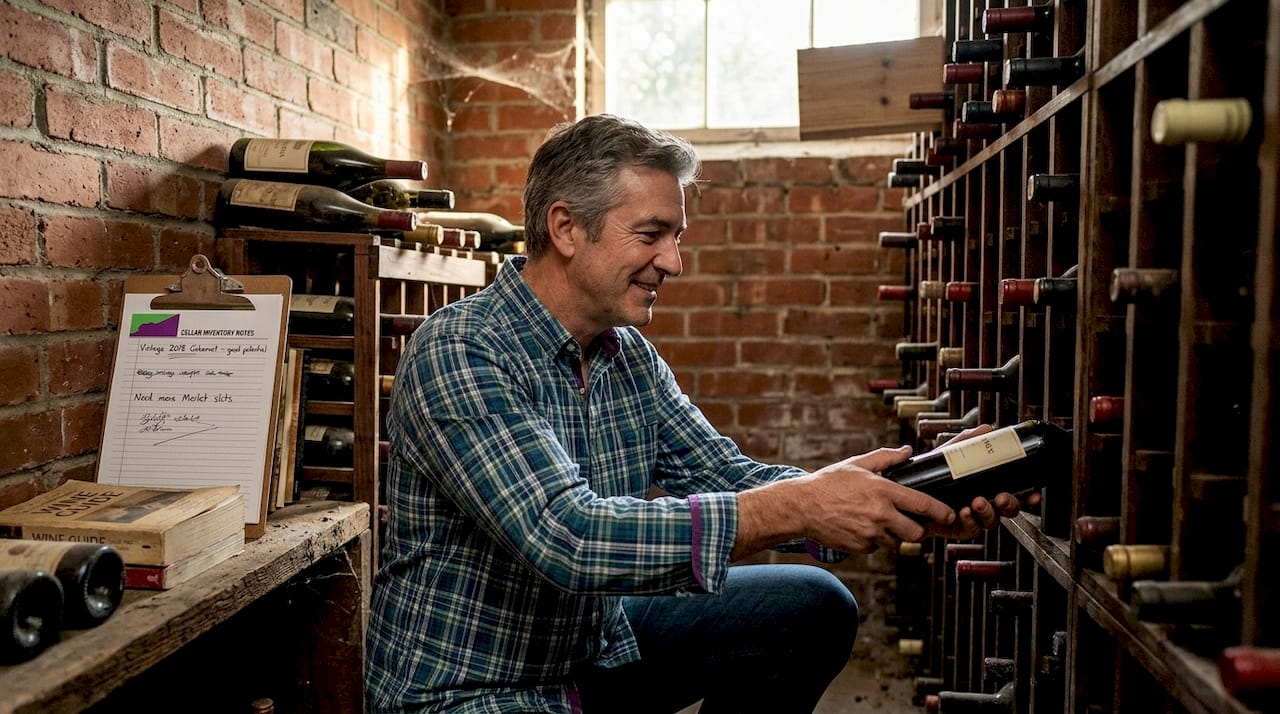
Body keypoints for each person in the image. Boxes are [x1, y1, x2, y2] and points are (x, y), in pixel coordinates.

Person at [366, 113, 1028, 714]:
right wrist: (803, 507)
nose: (674, 263)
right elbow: (567, 536)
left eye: (677, 237)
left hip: (595, 652)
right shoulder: (460, 351)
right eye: (652, 235)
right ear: (565, 228)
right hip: (475, 688)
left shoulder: (629, 360)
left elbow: (730, 477)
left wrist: (906, 494)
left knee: (811, 609)